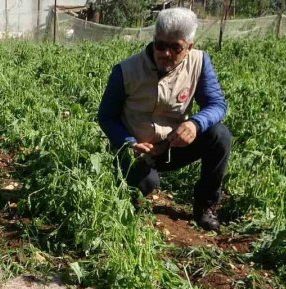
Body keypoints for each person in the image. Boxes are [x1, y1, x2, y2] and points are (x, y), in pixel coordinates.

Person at [98, 7, 230, 231]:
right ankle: (129, 187)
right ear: (154, 40)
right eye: (161, 45)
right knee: (147, 184)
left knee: (220, 136)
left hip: (173, 146)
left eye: (175, 47)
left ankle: (205, 206)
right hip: (138, 151)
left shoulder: (199, 63)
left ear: (189, 47)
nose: (166, 53)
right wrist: (128, 142)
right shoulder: (126, 71)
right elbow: (106, 116)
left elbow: (217, 104)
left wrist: (195, 123)